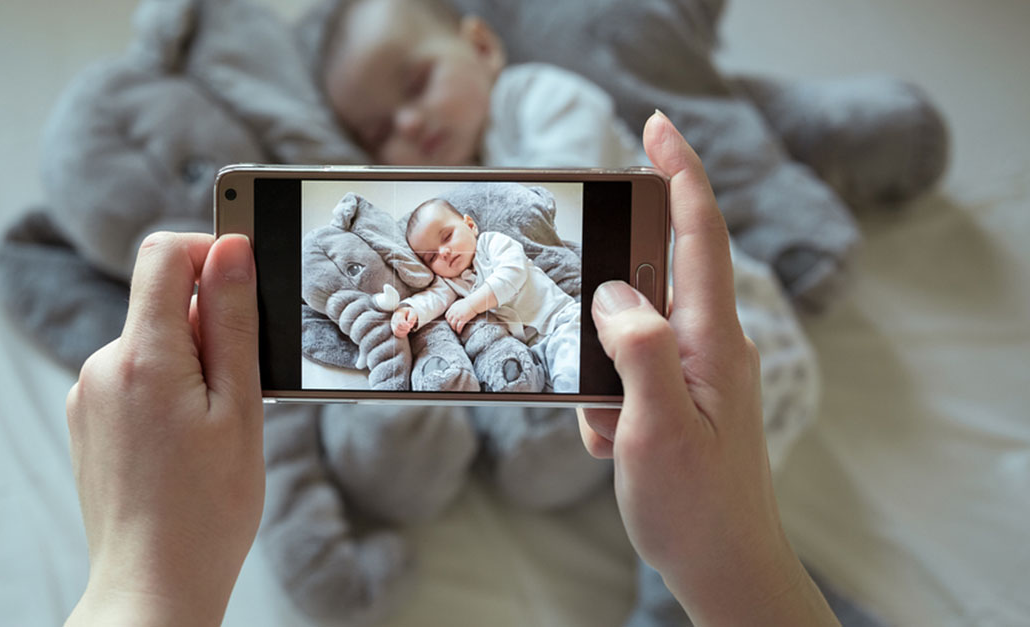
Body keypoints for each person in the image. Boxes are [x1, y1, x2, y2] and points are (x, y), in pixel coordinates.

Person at [64, 113, 840, 625]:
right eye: (433, 252)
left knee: (567, 351)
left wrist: (138, 580)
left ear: (470, 222)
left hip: (565, 318)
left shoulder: (497, 251)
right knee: (526, 372)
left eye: (450, 239)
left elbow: (498, 286)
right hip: (529, 349)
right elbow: (440, 303)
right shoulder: (447, 278)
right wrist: (414, 313)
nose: (446, 257)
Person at [318, 0, 644, 169]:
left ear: (481, 47)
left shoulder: (539, 96)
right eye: (380, 134)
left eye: (417, 85)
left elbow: (568, 187)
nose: (409, 124)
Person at [391, 196, 582, 392]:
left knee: (570, 380)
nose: (444, 252)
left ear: (470, 225)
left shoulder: (493, 244)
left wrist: (472, 304)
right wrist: (409, 311)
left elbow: (512, 273)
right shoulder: (450, 282)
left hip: (562, 323)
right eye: (432, 257)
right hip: (535, 351)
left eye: (447, 237)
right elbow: (432, 298)